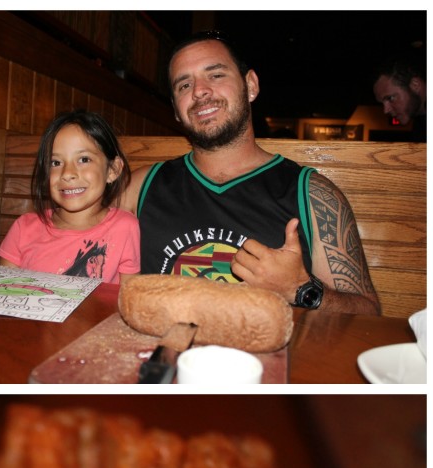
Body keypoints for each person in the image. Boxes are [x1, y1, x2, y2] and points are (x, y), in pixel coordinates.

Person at [123, 31, 380, 315]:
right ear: (175, 109)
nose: (199, 91)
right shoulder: (139, 187)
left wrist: (301, 290)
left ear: (251, 85)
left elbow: (368, 314)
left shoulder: (313, 193)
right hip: (160, 354)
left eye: (216, 75)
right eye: (184, 85)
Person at [0, 109, 140, 282]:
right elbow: (1, 289)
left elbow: (128, 295)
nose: (67, 173)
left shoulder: (125, 226)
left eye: (84, 159)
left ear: (112, 170)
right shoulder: (23, 228)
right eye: (55, 162)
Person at [373, 54, 426, 140]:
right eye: (382, 103)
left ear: (415, 85)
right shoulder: (420, 126)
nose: (386, 110)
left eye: (390, 98)